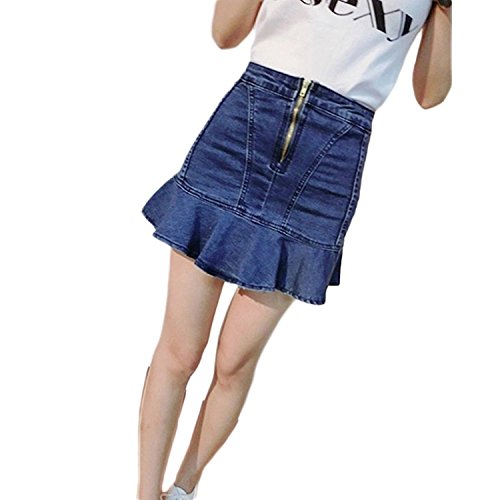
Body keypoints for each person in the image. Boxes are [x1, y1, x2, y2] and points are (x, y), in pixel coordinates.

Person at [137, 1, 452, 498]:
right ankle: (143, 492)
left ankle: (183, 490)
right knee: (180, 351)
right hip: (246, 126)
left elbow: (430, 94)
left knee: (235, 361)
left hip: (330, 159)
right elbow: (225, 33)